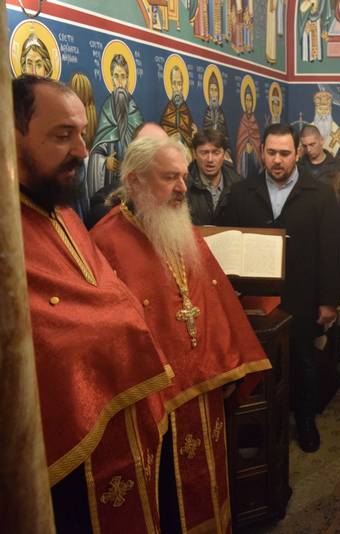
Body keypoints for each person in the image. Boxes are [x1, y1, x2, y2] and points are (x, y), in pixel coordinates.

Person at [13, 75, 171, 532]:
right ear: (10, 136)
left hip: (114, 434)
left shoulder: (63, 213)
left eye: (82, 134)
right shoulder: (10, 228)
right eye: (63, 135)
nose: (83, 151)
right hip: (56, 455)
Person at [91, 136, 270, 532]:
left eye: (183, 176)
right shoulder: (105, 241)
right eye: (170, 177)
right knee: (165, 498)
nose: (182, 188)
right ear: (135, 181)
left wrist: (227, 362)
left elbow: (213, 295)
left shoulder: (178, 227)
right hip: (152, 400)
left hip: (203, 383)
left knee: (207, 483)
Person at [217, 123, 340, 453]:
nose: (277, 160)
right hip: (255, 299)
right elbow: (229, 242)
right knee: (257, 363)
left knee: (303, 362)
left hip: (302, 295)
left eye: (285, 153)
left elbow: (331, 250)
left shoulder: (320, 194)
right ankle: (259, 426)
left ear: (297, 153)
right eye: (271, 152)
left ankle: (305, 421)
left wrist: (328, 301)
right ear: (261, 153)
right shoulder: (243, 193)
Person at [86, 122, 169, 229]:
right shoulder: (105, 207)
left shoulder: (179, 195)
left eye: (166, 149)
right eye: (149, 150)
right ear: (133, 156)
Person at [87, 53, 144, 198]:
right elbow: (97, 150)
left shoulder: (134, 110)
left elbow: (143, 147)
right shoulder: (107, 108)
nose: (119, 81)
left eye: (123, 76)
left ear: (127, 79)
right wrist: (105, 162)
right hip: (110, 184)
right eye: (116, 76)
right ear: (111, 78)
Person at [187, 128, 243, 225]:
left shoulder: (238, 184)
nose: (210, 159)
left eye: (216, 153)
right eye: (204, 153)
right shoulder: (184, 184)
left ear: (224, 154)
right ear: (194, 154)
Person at [159, 65, 196, 148]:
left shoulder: (186, 110)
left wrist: (193, 135)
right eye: (174, 83)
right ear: (171, 85)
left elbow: (190, 135)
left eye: (179, 83)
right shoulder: (168, 109)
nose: (176, 87)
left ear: (182, 86)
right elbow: (163, 133)